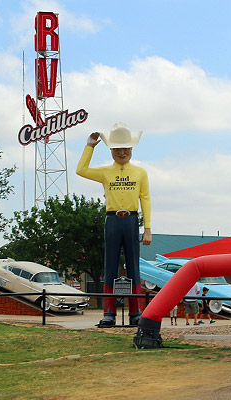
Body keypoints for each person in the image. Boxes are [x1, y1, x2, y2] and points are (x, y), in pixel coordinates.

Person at [76, 123, 151, 327]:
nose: (122, 153)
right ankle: (109, 312)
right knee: (110, 266)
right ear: (111, 150)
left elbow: (145, 199)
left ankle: (136, 312)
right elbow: (81, 170)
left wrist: (148, 228)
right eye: (117, 149)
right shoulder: (105, 172)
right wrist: (89, 147)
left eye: (125, 148)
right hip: (112, 220)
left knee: (134, 267)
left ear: (132, 149)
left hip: (131, 220)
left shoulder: (140, 173)